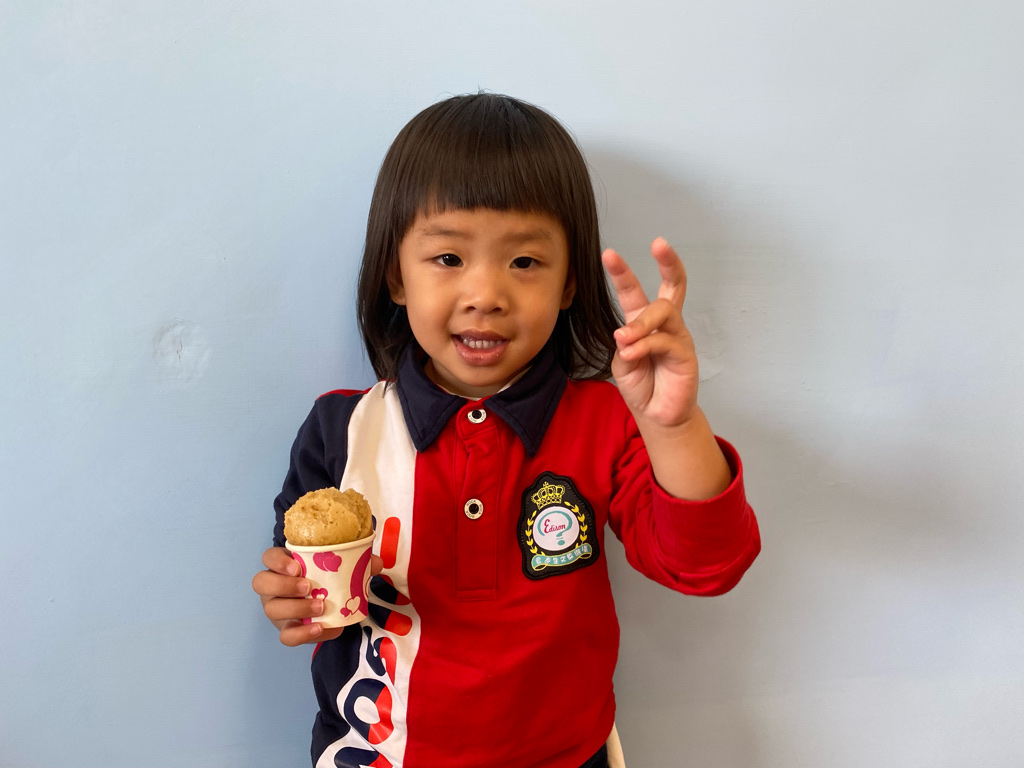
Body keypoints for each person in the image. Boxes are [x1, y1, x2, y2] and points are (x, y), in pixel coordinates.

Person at [251, 93, 760, 768]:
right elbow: (301, 589)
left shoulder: (606, 422)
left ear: (569, 283)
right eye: (448, 258)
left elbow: (706, 567)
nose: (486, 295)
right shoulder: (339, 431)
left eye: (524, 262)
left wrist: (674, 425)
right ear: (395, 276)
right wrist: (291, 602)